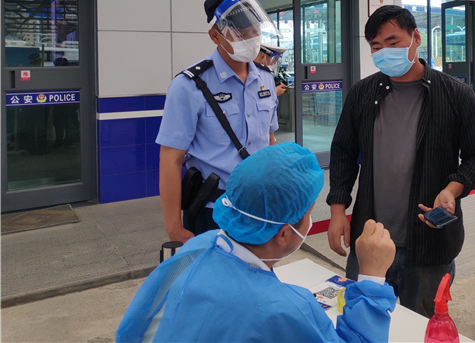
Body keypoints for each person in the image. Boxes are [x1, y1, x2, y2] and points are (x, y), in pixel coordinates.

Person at [116, 143, 397, 343]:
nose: (309, 221)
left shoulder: (196, 248)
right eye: (308, 213)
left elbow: (134, 326)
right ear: (284, 234)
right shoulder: (283, 310)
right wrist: (372, 278)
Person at [326, 5, 475, 317]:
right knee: (362, 319)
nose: (384, 52)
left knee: (422, 325)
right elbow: (343, 153)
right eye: (376, 46)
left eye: (393, 42)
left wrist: (452, 189)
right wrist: (337, 211)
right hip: (370, 239)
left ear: (416, 37)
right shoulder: (362, 93)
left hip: (430, 243)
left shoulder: (455, 94)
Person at [157, 0, 281, 244]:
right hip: (212, 211)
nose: (252, 38)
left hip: (258, 207)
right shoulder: (189, 86)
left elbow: (269, 141)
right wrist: (173, 226)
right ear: (215, 36)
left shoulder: (265, 79)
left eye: (255, 30)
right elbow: (171, 158)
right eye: (241, 34)